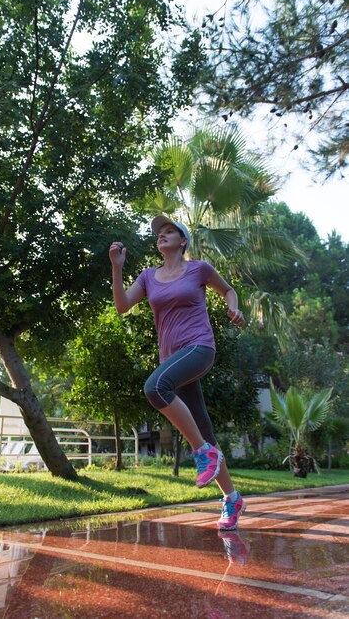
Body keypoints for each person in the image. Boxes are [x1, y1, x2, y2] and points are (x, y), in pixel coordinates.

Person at [109, 215, 246, 530]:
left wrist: (234, 308)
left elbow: (228, 290)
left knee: (155, 388)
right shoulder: (148, 276)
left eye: (169, 231)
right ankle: (231, 497)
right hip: (171, 357)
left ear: (183, 241)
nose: (162, 235)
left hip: (199, 348)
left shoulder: (199, 269)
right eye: (159, 233)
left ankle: (202, 453)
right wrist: (117, 267)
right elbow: (121, 305)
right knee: (204, 430)